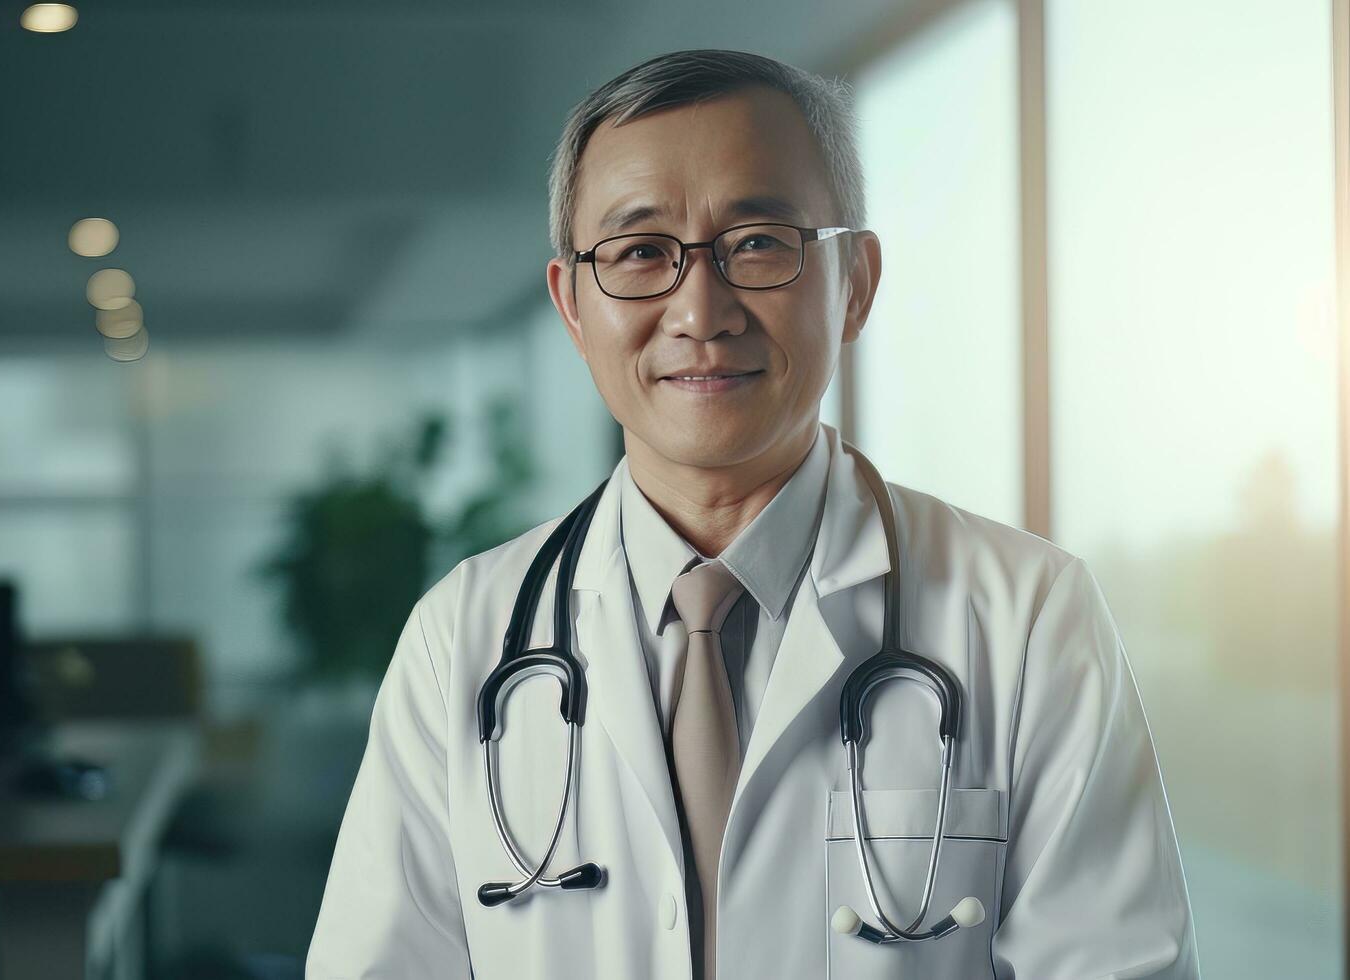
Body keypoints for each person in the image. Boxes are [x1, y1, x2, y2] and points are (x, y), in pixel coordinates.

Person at [306, 49, 1199, 979]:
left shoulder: (1027, 615)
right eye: (640, 251)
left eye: (761, 242)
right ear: (572, 305)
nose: (700, 308)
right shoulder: (463, 639)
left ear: (854, 280)